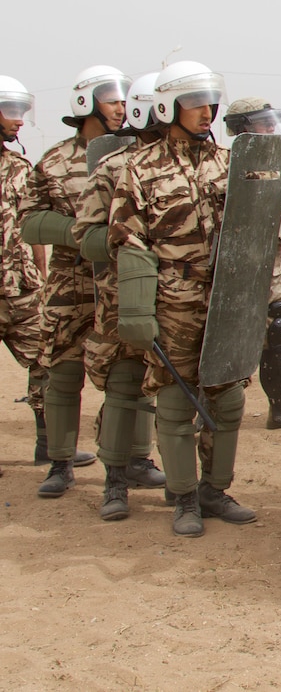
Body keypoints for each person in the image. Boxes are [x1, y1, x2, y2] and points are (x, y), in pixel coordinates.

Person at [108, 60, 257, 537]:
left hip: (226, 296)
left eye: (211, 103)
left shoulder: (231, 161)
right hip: (173, 297)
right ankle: (184, 498)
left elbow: (259, 220)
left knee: (228, 397)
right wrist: (136, 311)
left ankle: (215, 490)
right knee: (175, 402)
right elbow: (125, 241)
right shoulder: (139, 167)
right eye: (195, 103)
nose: (206, 112)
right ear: (169, 107)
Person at [19, 65, 129, 496]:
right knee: (62, 374)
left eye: (123, 99)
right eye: (112, 99)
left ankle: (132, 461)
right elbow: (28, 224)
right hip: (70, 286)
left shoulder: (133, 156)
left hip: (121, 285)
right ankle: (60, 463)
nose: (122, 108)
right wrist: (83, 234)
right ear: (86, 104)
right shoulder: (54, 161)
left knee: (128, 375)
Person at [72, 72, 167, 519]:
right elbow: (85, 236)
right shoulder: (113, 167)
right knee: (124, 384)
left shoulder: (189, 165)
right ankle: (114, 481)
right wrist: (121, 240)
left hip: (179, 299)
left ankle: (154, 468)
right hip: (122, 298)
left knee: (164, 388)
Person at [223, 97, 281, 432]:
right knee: (229, 337)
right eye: (262, 123)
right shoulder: (224, 164)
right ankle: (216, 411)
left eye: (270, 121)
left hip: (277, 261)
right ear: (241, 128)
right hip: (237, 267)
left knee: (280, 330)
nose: (270, 128)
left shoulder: (278, 162)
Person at [0, 76, 48, 477]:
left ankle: (49, 447)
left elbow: (30, 226)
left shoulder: (20, 167)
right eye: (11, 111)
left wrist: (42, 275)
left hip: (22, 289)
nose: (19, 121)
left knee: (45, 361)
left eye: (21, 112)